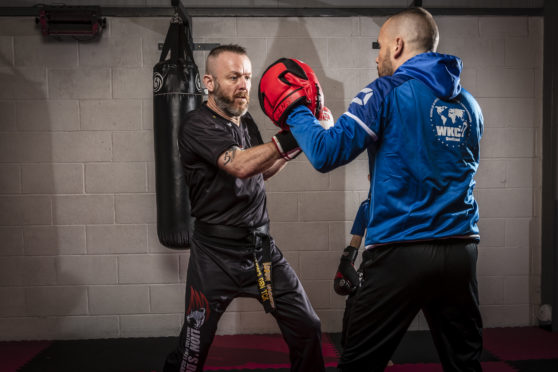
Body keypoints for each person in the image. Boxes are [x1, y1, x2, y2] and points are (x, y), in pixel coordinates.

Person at [259, 6, 483, 372]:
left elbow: (326, 153)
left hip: (400, 251)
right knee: (465, 365)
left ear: (397, 45)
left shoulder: (386, 91)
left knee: (357, 366)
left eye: (379, 47)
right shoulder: (470, 105)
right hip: (461, 252)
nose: (377, 57)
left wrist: (296, 110)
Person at [163, 44, 325, 372]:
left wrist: (301, 142)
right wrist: (299, 134)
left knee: (308, 326)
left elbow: (260, 169)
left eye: (248, 77)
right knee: (194, 346)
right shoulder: (196, 124)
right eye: (234, 77)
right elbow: (238, 164)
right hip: (214, 256)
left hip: (260, 252)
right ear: (208, 82)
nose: (244, 85)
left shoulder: (246, 121)